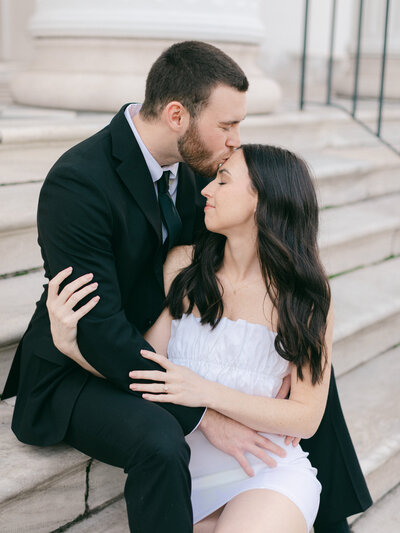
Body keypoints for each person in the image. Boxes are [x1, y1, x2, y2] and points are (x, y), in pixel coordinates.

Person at [1, 41, 371, 533]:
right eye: (227, 125)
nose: (236, 141)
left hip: (168, 344)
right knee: (159, 437)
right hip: (84, 357)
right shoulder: (79, 182)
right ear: (177, 115)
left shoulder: (198, 172)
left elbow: (239, 261)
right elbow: (99, 328)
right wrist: (204, 413)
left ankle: (325, 516)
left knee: (296, 340)